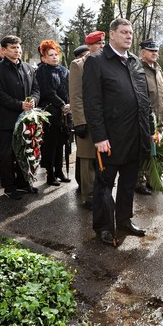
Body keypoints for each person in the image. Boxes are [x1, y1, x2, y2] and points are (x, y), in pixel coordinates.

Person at [83, 18, 151, 246]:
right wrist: (99, 136)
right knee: (104, 185)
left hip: (136, 135)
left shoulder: (134, 61)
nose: (129, 36)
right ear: (111, 35)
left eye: (131, 32)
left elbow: (143, 99)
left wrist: (149, 130)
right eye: (123, 32)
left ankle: (124, 220)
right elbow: (92, 103)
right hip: (110, 138)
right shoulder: (96, 61)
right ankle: (102, 226)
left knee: (128, 183)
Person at [0, 35, 41, 200]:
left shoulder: (28, 68)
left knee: (26, 151)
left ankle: (24, 183)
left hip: (27, 118)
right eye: (13, 47)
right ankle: (9, 187)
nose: (17, 50)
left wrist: (33, 100)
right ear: (3, 50)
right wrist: (19, 105)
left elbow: (36, 89)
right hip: (9, 119)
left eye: (18, 47)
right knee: (8, 154)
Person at [70, 31, 106, 209]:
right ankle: (88, 195)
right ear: (89, 46)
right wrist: (80, 121)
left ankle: (101, 191)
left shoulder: (106, 63)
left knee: (102, 159)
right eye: (98, 44)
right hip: (86, 120)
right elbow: (76, 96)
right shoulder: (79, 65)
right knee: (87, 159)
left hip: (104, 120)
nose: (102, 47)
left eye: (103, 44)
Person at [36, 39, 72, 186]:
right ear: (44, 58)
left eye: (56, 54)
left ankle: (59, 171)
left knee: (61, 144)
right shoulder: (42, 71)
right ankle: (50, 174)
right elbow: (48, 92)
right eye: (50, 55)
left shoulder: (64, 70)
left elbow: (69, 88)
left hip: (65, 112)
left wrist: (69, 104)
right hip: (51, 111)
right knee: (51, 144)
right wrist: (62, 104)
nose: (54, 57)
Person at [136, 39, 163, 195]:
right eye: (151, 51)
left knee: (155, 151)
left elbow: (161, 94)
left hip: (158, 118)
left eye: (156, 51)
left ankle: (151, 179)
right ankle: (139, 181)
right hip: (145, 120)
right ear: (143, 53)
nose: (155, 53)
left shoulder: (158, 69)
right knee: (143, 151)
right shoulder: (139, 69)